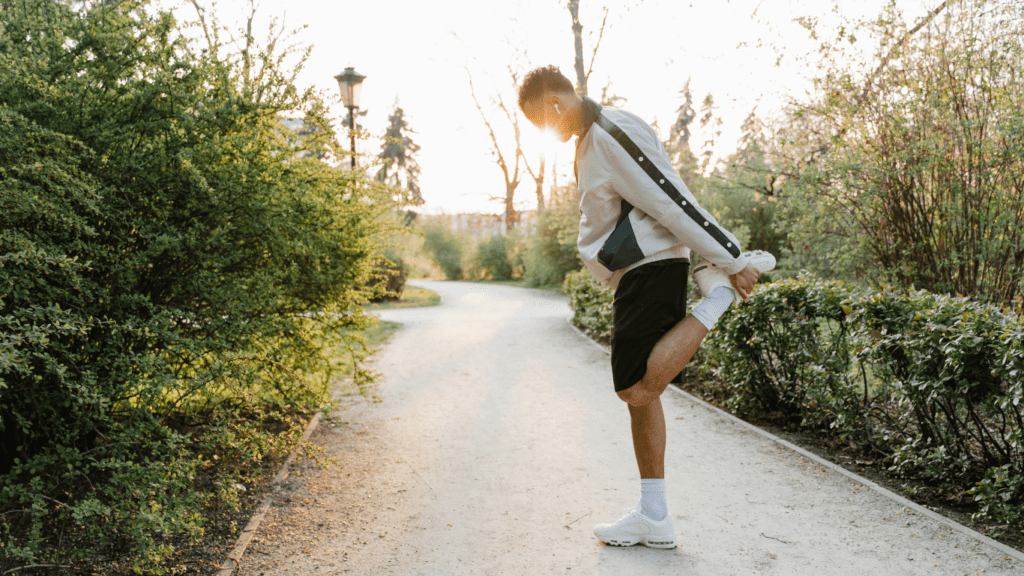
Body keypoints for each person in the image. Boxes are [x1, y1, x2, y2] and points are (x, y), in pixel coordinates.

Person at [517, 65, 774, 549]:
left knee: (634, 387)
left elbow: (672, 200)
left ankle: (716, 296)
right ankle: (653, 516)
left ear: (554, 104)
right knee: (644, 399)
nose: (545, 134)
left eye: (540, 123)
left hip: (651, 267)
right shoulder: (593, 138)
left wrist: (731, 259)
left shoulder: (611, 132)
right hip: (635, 272)